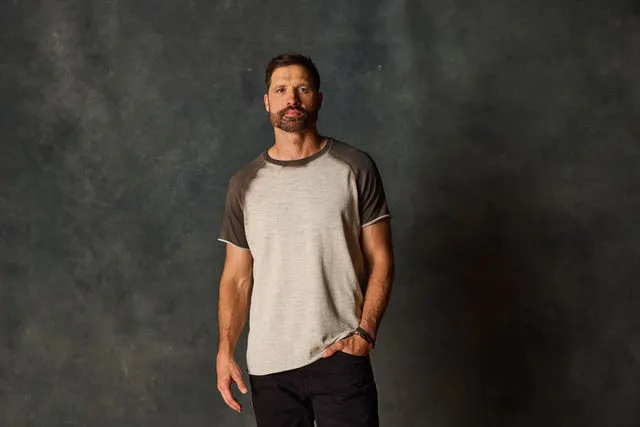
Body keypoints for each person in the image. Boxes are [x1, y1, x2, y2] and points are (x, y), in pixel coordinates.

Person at [215, 52, 395, 427]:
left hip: (340, 356)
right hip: (269, 367)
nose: (292, 98)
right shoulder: (244, 184)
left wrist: (365, 334)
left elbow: (381, 259)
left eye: (302, 89)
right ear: (267, 102)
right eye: (281, 90)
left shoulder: (355, 167)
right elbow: (236, 277)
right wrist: (225, 349)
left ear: (318, 98)